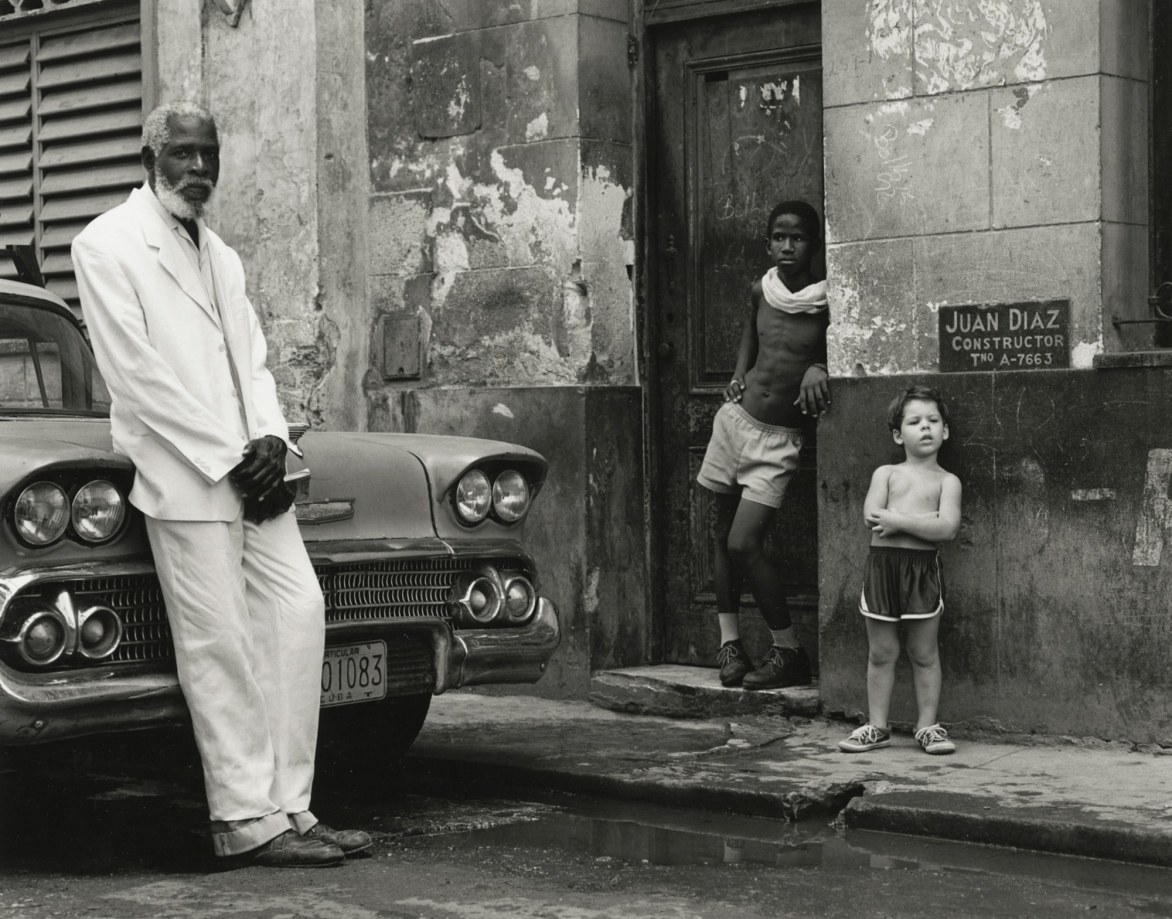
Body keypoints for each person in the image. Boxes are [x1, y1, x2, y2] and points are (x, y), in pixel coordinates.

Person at [71, 101, 370, 867]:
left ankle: (291, 805)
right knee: (221, 648)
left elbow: (255, 362)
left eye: (208, 155)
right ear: (150, 160)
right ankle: (245, 820)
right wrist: (236, 454)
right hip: (185, 477)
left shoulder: (223, 255)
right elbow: (139, 381)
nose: (199, 170)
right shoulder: (105, 245)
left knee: (299, 613)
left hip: (254, 472)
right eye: (183, 156)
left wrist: (271, 437)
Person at [697, 200, 830, 690]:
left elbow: (835, 345)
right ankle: (730, 645)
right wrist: (736, 374)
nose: (787, 246)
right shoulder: (762, 289)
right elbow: (749, 338)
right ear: (767, 242)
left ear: (813, 245)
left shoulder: (826, 299)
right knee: (721, 537)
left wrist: (822, 364)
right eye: (779, 237)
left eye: (797, 238)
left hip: (778, 439)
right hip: (735, 422)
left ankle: (789, 651)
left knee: (743, 541)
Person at [838, 385, 962, 756]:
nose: (925, 427)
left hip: (922, 571)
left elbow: (948, 529)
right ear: (898, 434)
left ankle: (928, 727)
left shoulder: (947, 481)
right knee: (882, 651)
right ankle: (877, 726)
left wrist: (901, 520)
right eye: (914, 421)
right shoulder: (887, 474)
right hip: (882, 569)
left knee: (924, 652)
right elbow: (872, 518)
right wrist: (921, 520)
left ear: (945, 431)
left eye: (933, 420)